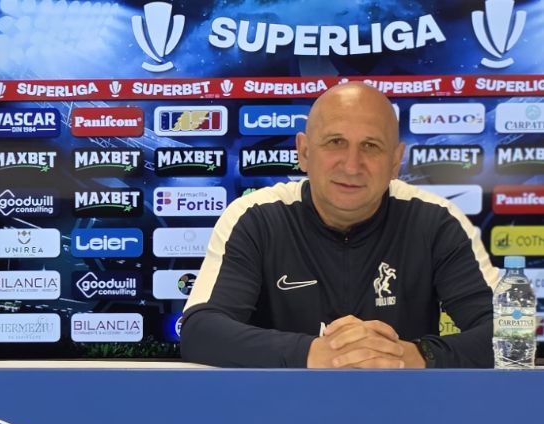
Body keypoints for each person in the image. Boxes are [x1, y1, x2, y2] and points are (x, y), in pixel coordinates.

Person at [180, 82, 498, 368]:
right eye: (335, 142)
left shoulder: (435, 220)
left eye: (371, 146)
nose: (351, 165)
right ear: (304, 152)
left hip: (406, 407)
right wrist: (312, 353)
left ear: (395, 161)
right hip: (279, 410)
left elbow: (510, 333)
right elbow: (201, 331)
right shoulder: (256, 217)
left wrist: (417, 354)